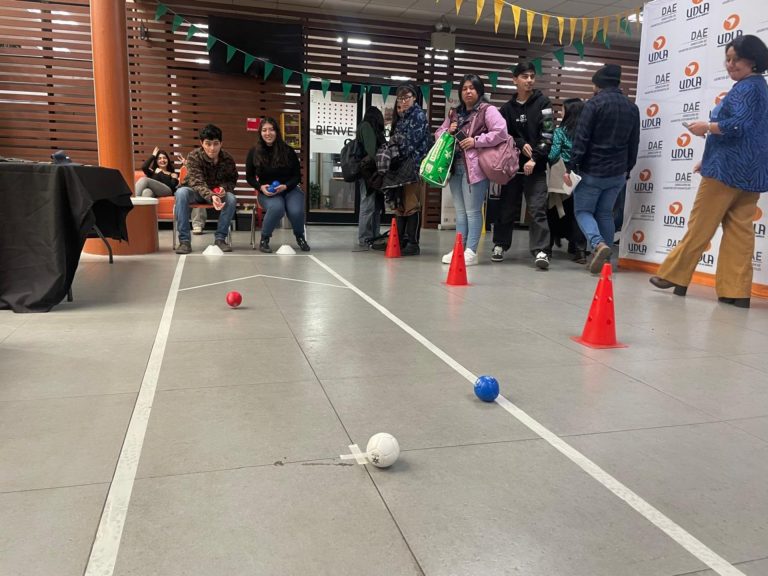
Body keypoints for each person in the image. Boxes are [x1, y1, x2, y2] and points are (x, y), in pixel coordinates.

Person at [650, 35, 768, 308]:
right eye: (727, 59)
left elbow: (736, 126)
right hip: (751, 173)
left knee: (700, 225)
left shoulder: (744, 89)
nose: (729, 64)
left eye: (734, 59)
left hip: (725, 170)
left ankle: (673, 274)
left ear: (751, 60)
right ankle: (736, 291)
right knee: (740, 232)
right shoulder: (760, 88)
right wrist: (708, 156)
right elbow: (752, 132)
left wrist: (707, 127)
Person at [564, 64, 640, 274]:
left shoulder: (593, 105)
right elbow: (634, 142)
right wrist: (628, 168)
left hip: (592, 170)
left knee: (583, 211)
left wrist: (572, 165)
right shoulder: (632, 108)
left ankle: (598, 244)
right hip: (617, 173)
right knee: (605, 213)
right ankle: (605, 262)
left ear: (597, 84)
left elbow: (581, 139)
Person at [436, 74, 509, 266]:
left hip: (476, 168)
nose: (468, 91)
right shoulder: (454, 113)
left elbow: (501, 131)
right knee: (460, 212)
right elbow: (438, 134)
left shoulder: (488, 110)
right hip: (454, 167)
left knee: (472, 211)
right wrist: (448, 131)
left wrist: (477, 141)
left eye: (472, 88)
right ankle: (460, 248)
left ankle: (471, 251)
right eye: (465, 88)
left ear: (479, 91)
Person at [493, 62, 554, 269]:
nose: (529, 80)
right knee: (506, 208)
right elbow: (502, 135)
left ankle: (541, 251)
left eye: (532, 76)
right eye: (524, 76)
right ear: (515, 80)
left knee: (537, 209)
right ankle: (500, 245)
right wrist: (519, 144)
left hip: (535, 168)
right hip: (511, 168)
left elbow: (548, 135)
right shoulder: (506, 109)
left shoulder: (544, 104)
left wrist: (535, 158)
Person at [245, 117, 310, 253]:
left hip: (290, 189)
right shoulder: (254, 152)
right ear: (260, 133)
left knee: (296, 211)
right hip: (268, 191)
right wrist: (260, 187)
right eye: (264, 130)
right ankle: (264, 239)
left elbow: (297, 176)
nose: (268, 133)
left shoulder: (288, 151)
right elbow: (249, 177)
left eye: (271, 129)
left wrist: (285, 186)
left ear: (277, 132)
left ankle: (300, 237)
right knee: (277, 208)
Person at [173, 124, 238, 254]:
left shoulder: (228, 159)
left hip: (217, 194)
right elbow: (197, 182)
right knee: (181, 193)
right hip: (195, 192)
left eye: (216, 144)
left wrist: (224, 189)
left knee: (231, 198)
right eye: (208, 144)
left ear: (221, 143)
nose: (212, 148)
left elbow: (232, 179)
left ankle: (220, 239)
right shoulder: (193, 156)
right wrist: (211, 195)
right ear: (201, 143)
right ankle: (184, 241)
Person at [385, 82, 431, 255]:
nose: (403, 101)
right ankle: (402, 240)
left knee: (412, 204)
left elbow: (411, 143)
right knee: (400, 205)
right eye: (400, 98)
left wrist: (393, 153)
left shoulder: (418, 115)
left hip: (413, 166)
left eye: (407, 97)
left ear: (414, 98)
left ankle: (413, 242)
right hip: (401, 167)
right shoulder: (403, 117)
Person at [547, 98, 588, 264]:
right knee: (578, 213)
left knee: (554, 210)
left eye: (563, 110)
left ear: (569, 112)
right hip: (583, 175)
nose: (561, 113)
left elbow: (553, 154)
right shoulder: (587, 132)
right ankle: (579, 250)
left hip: (563, 176)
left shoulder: (560, 131)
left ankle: (547, 247)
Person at [356, 107, 386, 248]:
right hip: (370, 173)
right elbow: (372, 151)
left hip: (372, 173)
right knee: (368, 205)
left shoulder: (366, 127)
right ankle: (366, 238)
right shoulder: (367, 127)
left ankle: (373, 237)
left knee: (374, 206)